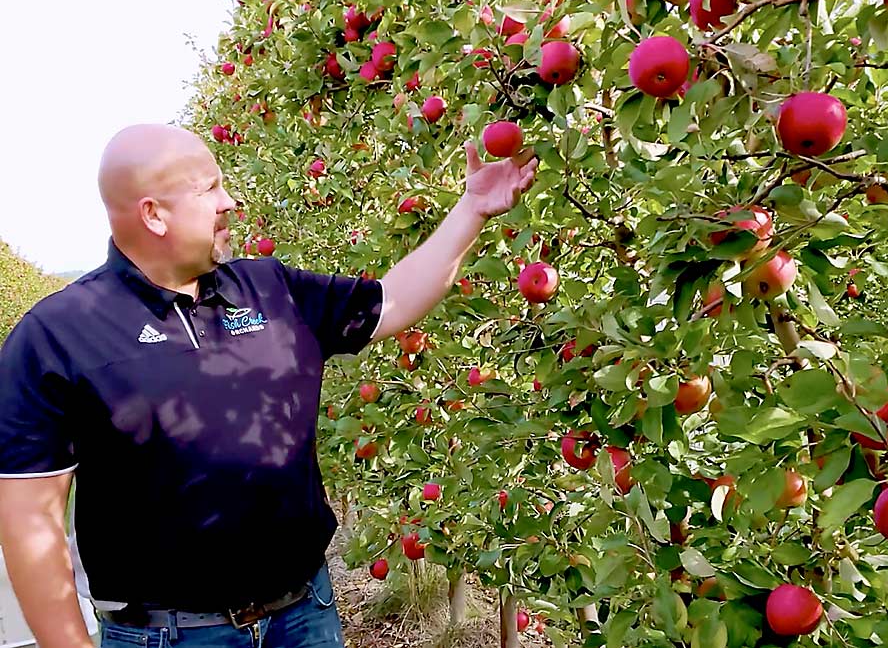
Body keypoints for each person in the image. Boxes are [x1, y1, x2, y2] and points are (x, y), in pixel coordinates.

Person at [0, 123, 537, 647]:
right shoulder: (57, 336)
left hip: (304, 616)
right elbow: (30, 524)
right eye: (209, 188)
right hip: (168, 635)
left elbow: (389, 303)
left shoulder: (269, 288)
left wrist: (471, 210)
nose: (229, 201)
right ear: (153, 214)